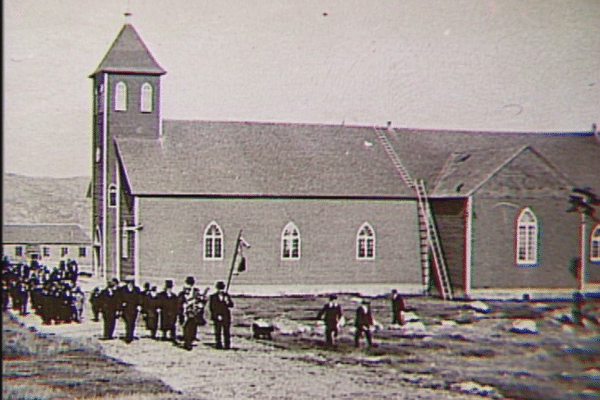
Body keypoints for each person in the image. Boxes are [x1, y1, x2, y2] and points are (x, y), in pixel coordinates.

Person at [209, 281, 234, 349]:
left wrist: (227, 301)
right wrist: (217, 315)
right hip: (217, 316)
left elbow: (231, 305)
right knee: (218, 331)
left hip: (226, 316)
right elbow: (212, 307)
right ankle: (218, 344)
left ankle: (227, 345)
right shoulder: (213, 296)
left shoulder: (226, 296)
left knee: (226, 331)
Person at [118, 278, 142, 343]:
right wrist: (121, 304)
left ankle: (130, 335)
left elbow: (139, 298)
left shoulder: (136, 289)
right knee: (128, 322)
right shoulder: (123, 289)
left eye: (131, 283)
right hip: (126, 308)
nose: (130, 284)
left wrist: (139, 305)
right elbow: (119, 298)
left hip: (134, 308)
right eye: (129, 283)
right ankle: (128, 336)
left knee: (132, 322)